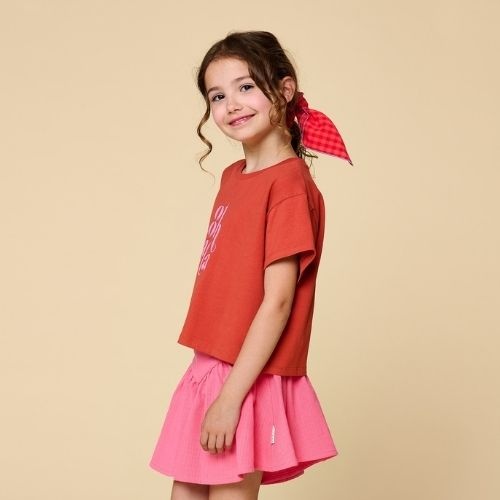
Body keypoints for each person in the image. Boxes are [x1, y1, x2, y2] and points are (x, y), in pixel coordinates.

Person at [149, 30, 353, 500]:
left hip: (245, 375)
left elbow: (278, 302)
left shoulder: (288, 185)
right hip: (208, 365)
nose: (231, 105)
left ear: (284, 89)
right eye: (217, 95)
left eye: (245, 87)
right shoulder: (233, 177)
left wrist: (231, 398)